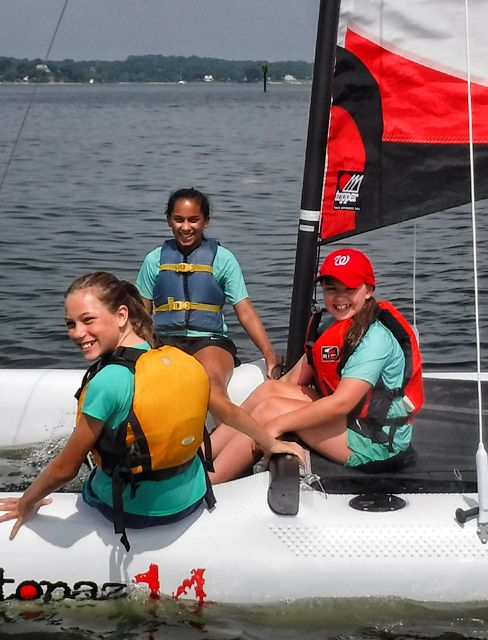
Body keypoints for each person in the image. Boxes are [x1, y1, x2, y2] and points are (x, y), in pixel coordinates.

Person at [0, 272, 302, 544]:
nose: (77, 333)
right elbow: (228, 412)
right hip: (192, 496)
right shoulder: (182, 361)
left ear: (121, 315)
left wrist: (27, 502)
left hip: (137, 512)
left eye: (88, 320)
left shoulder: (109, 381)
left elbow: (66, 468)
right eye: (70, 324)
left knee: (90, 471)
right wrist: (271, 443)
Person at [209, 248, 423, 483]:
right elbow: (289, 382)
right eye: (331, 289)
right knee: (268, 392)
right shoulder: (328, 326)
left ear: (369, 290)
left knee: (270, 412)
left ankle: (209, 483)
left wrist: (272, 428)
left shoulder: (375, 339)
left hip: (376, 442)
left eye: (350, 289)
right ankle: (201, 455)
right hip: (349, 420)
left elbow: (341, 403)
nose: (339, 298)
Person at [136, 188, 282, 405]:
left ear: (206, 221)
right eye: (179, 219)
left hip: (209, 341)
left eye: (194, 220)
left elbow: (245, 311)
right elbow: (140, 315)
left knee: (211, 387)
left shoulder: (223, 259)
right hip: (164, 340)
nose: (186, 227)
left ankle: (233, 438)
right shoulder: (154, 260)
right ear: (169, 220)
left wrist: (268, 352)